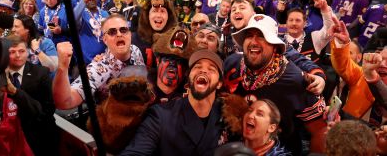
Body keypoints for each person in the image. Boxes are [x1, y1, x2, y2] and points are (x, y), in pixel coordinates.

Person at [224, 14, 327, 153]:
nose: (253, 41)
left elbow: (319, 130)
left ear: (275, 46)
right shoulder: (232, 64)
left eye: (261, 36)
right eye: (249, 35)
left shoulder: (296, 80)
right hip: (234, 149)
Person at [119, 50, 230, 156]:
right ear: (189, 78)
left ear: (219, 83)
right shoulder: (160, 116)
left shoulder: (227, 117)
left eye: (211, 69)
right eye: (197, 67)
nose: (203, 71)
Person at [53, 14, 145, 109]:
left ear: (130, 34)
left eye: (123, 30)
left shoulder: (135, 50)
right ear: (104, 39)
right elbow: (65, 102)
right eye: (112, 32)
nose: (119, 34)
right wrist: (62, 68)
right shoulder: (98, 69)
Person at [5, 35, 58, 156]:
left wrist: (16, 93)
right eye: (12, 52)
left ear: (28, 52)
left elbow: (48, 109)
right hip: (11, 138)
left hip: (41, 136)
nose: (18, 55)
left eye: (21, 51)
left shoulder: (41, 73)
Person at [74, 0, 109, 64]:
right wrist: (83, 1)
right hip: (87, 61)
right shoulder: (82, 14)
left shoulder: (105, 13)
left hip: (104, 58)